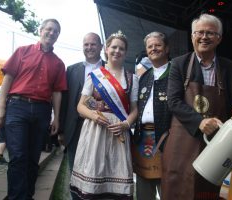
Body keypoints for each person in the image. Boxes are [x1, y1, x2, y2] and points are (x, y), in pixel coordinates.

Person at [162, 13, 232, 200]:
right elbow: (173, 101)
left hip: (215, 143)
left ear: (219, 39)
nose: (204, 37)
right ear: (192, 36)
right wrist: (199, 122)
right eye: (200, 32)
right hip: (182, 139)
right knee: (177, 187)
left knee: (207, 191)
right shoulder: (179, 64)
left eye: (210, 33)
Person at [0, 18, 67, 200]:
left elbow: (57, 92)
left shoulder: (58, 63)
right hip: (17, 107)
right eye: (49, 29)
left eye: (56, 31)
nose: (52, 33)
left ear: (58, 36)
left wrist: (56, 118)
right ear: (40, 30)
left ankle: (27, 195)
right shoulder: (22, 52)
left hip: (42, 110)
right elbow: (8, 78)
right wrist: (0, 106)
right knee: (18, 156)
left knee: (34, 158)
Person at [69, 30, 139, 199]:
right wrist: (94, 116)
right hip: (95, 130)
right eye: (113, 47)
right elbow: (80, 106)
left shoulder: (132, 78)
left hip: (119, 131)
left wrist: (125, 124)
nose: (117, 51)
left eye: (121, 48)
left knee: (116, 179)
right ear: (106, 49)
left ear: (125, 52)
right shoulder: (94, 76)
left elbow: (135, 110)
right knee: (94, 179)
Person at [59, 32, 104, 200]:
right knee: (75, 172)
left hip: (100, 127)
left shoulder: (109, 69)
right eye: (86, 44)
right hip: (74, 129)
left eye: (93, 44)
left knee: (98, 171)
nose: (89, 47)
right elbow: (64, 101)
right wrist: (62, 130)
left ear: (101, 47)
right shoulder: (71, 70)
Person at [132, 32, 172, 200]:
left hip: (168, 138)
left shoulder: (177, 71)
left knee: (169, 189)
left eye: (158, 45)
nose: (153, 49)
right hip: (143, 138)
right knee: (143, 192)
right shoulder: (144, 77)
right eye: (150, 46)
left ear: (167, 48)